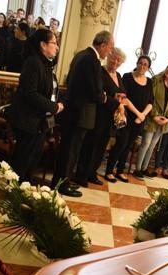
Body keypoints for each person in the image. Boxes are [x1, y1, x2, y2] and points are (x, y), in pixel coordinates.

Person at [51, 30, 114, 197]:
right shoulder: (90, 60)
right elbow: (94, 91)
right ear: (102, 45)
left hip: (75, 112)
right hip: (80, 113)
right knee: (71, 150)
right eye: (110, 47)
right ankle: (61, 185)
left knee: (70, 149)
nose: (110, 51)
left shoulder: (82, 55)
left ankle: (63, 181)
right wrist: (105, 97)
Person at [7, 28, 63, 182]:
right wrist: (54, 107)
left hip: (39, 122)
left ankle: (23, 191)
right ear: (43, 45)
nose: (57, 47)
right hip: (27, 121)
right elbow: (30, 93)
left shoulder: (46, 64)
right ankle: (13, 193)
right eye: (54, 43)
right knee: (22, 161)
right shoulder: (33, 63)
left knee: (32, 160)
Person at [76, 47, 128, 186]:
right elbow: (99, 92)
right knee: (90, 145)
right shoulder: (100, 71)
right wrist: (114, 99)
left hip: (111, 117)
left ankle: (92, 173)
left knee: (101, 147)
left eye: (119, 60)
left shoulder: (118, 75)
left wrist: (120, 98)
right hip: (99, 114)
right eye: (114, 57)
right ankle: (82, 175)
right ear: (109, 56)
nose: (116, 61)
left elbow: (122, 92)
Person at [104, 55, 153, 183]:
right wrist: (138, 113)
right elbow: (124, 98)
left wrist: (142, 115)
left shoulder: (149, 82)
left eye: (145, 65)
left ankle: (120, 171)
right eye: (141, 63)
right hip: (126, 115)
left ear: (148, 68)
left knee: (128, 146)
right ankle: (109, 171)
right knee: (121, 144)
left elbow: (151, 102)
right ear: (137, 63)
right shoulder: (127, 77)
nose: (142, 66)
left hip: (139, 119)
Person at [133, 61, 168, 179]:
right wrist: (155, 115)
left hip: (163, 121)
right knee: (146, 143)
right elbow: (150, 99)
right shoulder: (155, 79)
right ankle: (137, 169)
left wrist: (167, 118)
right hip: (152, 117)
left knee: (152, 145)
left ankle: (144, 168)